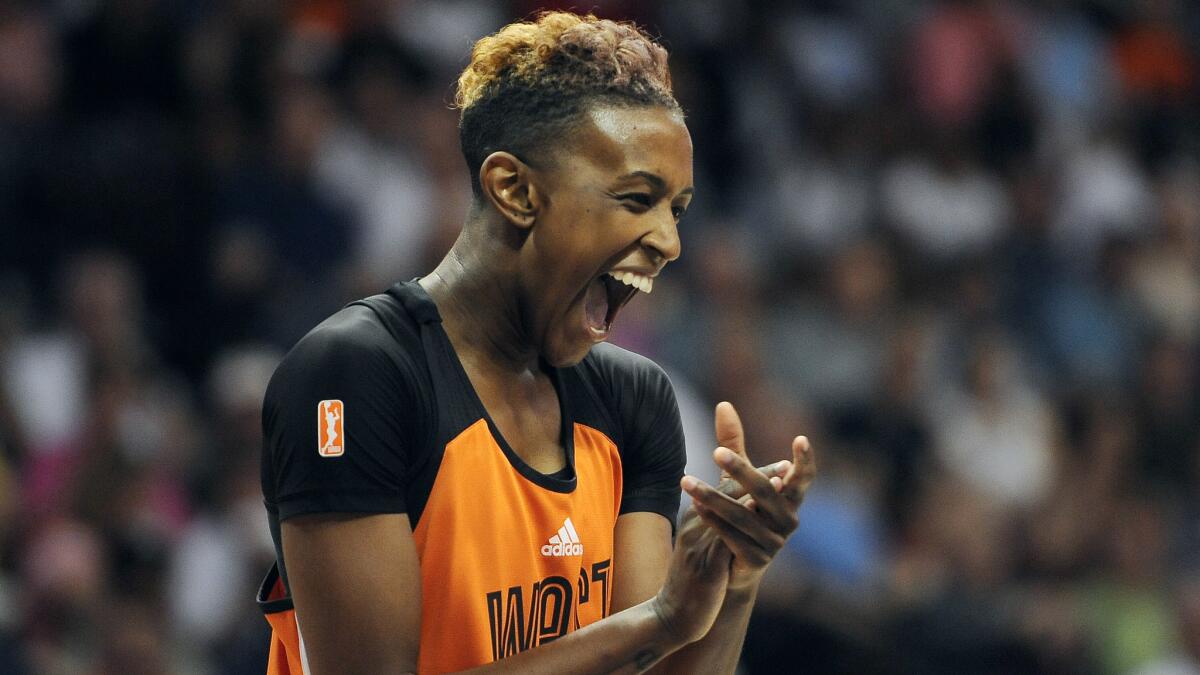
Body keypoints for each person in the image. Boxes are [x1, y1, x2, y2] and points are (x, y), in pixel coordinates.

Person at [257, 11, 816, 674]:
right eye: (638, 197)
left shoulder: (633, 398)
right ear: (515, 189)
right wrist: (660, 619)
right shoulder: (357, 374)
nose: (670, 242)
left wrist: (736, 572)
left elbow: (643, 655)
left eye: (678, 210)